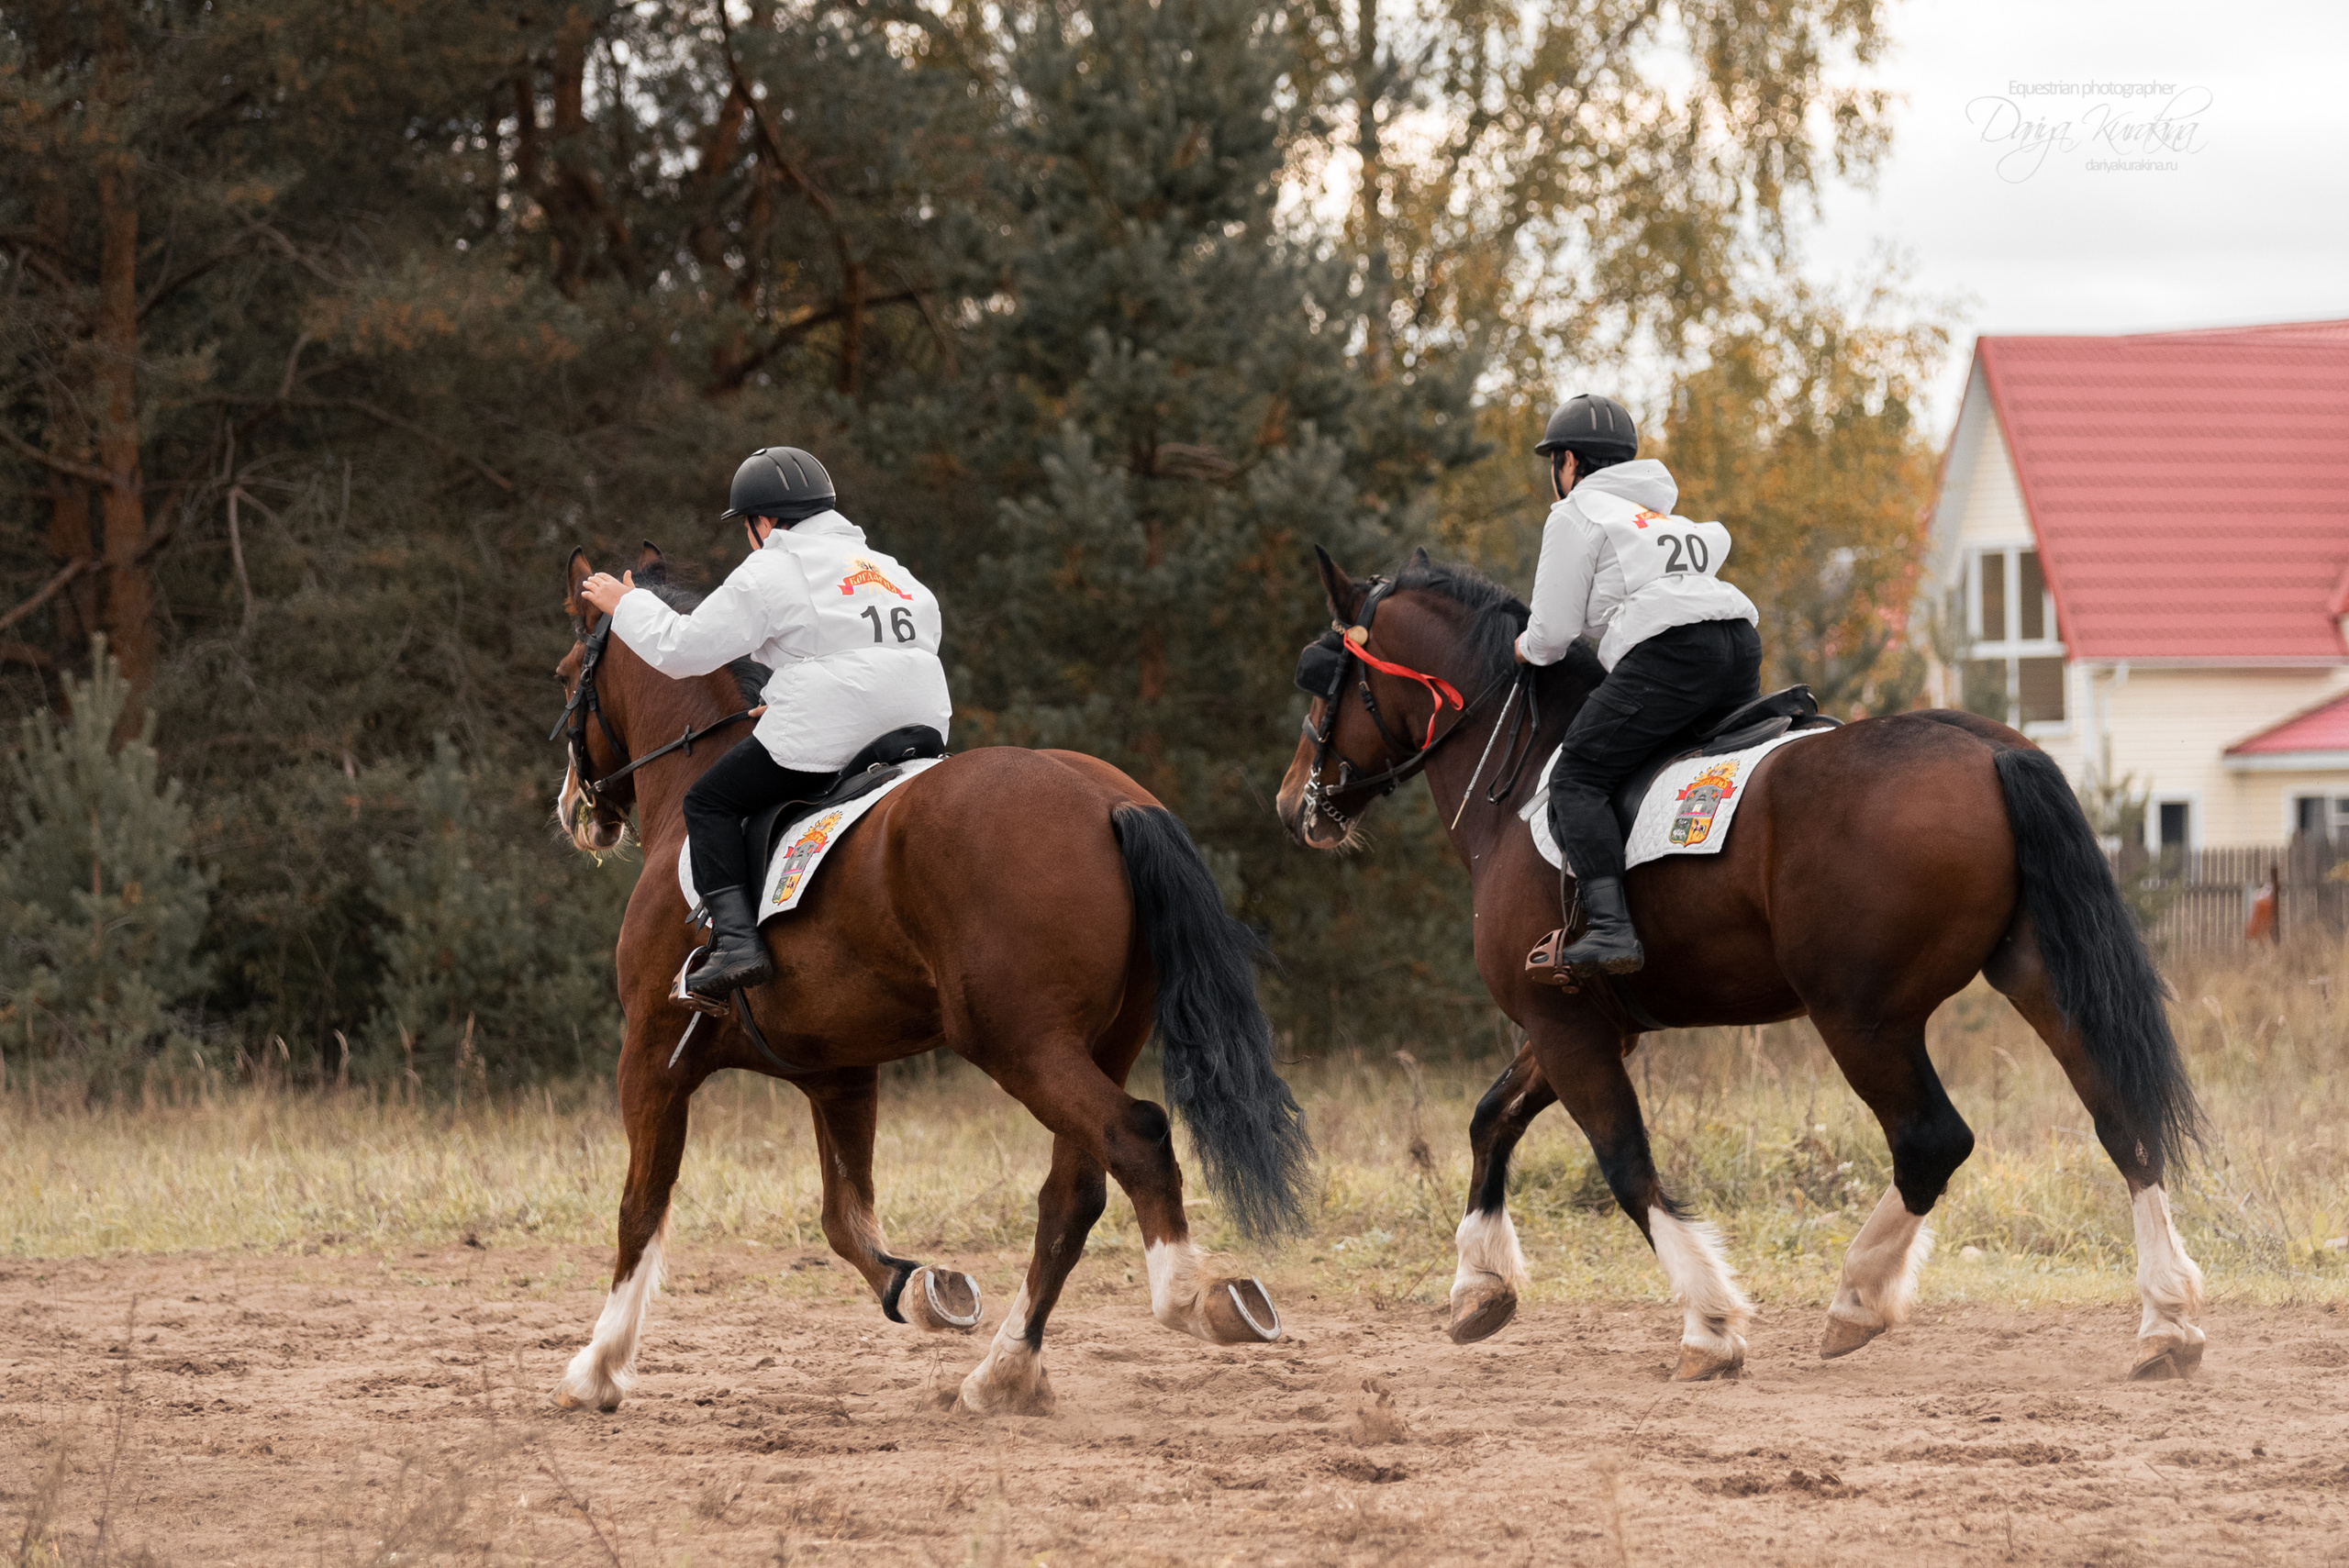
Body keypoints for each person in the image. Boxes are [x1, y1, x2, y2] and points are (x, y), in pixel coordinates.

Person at [577, 446, 951, 999]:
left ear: (764, 522)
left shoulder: (773, 566)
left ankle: (737, 944)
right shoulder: (890, 571)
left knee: (708, 802)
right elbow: (867, 646)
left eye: (747, 528)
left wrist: (625, 603)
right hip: (923, 718)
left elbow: (683, 650)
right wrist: (785, 693)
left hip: (837, 722)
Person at [1514, 394, 1761, 983]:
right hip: (1739, 644)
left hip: (1674, 655)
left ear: (1568, 462)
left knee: (1576, 778)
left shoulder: (1576, 513)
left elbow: (1550, 637)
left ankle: (1610, 928)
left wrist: (1519, 647)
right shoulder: (1663, 520)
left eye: (1556, 462)